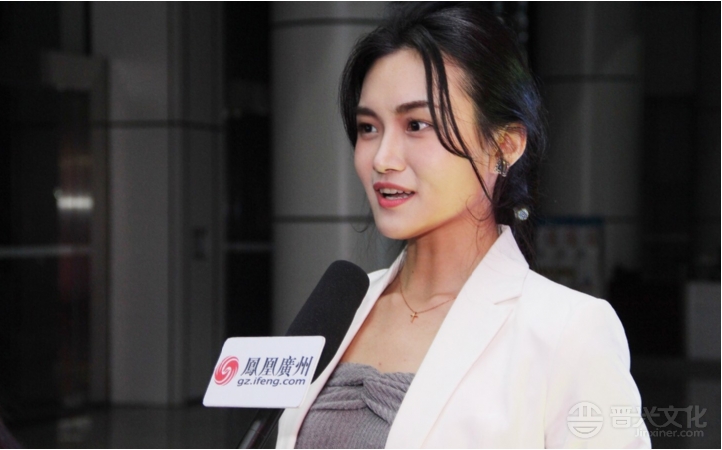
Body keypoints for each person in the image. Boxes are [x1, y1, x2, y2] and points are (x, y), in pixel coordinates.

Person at [277, 3, 650, 448]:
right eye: (368, 127)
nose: (382, 159)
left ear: (504, 146)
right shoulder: (339, 308)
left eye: (416, 125)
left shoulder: (569, 331)